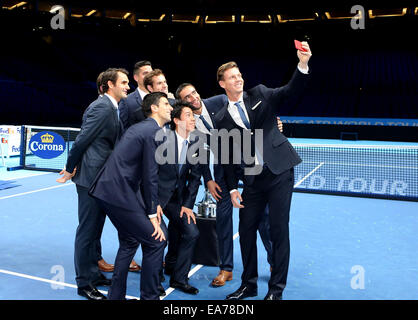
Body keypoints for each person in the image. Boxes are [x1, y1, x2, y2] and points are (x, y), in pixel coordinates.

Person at [214, 41, 312, 300]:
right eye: (232, 77)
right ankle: (249, 285)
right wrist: (233, 188)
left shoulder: (260, 93)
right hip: (252, 180)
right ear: (222, 84)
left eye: (239, 75)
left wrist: (302, 64)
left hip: (280, 171)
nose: (238, 79)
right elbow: (226, 158)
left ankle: (275, 290)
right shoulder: (221, 119)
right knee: (246, 231)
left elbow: (291, 90)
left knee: (279, 229)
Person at [176, 83, 278, 287]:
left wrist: (272, 126)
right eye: (188, 97)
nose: (194, 98)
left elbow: (250, 115)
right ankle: (226, 269)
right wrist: (209, 179)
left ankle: (274, 261)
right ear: (182, 102)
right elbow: (200, 153)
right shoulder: (188, 122)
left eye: (194, 92)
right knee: (223, 218)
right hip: (222, 170)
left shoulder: (220, 101)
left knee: (263, 216)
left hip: (248, 160)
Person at [89, 92, 171, 300]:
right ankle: (149, 297)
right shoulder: (153, 131)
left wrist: (152, 206)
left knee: (129, 240)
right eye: (165, 104)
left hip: (108, 190)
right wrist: (151, 214)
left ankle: (115, 297)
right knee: (156, 241)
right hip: (118, 192)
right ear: (154, 108)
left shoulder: (143, 128)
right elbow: (150, 175)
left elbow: (139, 173)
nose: (170, 107)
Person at [56, 68, 129, 300]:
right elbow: (82, 140)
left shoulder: (112, 108)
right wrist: (69, 168)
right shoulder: (102, 107)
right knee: (87, 232)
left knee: (95, 230)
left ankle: (94, 274)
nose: (128, 86)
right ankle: (84, 283)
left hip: (101, 179)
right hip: (90, 179)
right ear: (110, 85)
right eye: (124, 82)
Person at [158, 101, 204, 295]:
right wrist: (153, 204)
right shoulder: (161, 140)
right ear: (176, 120)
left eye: (193, 116)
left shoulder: (197, 142)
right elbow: (149, 175)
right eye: (188, 115)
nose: (192, 119)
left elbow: (195, 178)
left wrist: (187, 205)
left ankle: (179, 278)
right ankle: (155, 279)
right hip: (157, 198)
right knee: (160, 237)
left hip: (178, 200)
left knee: (191, 232)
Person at [119, 60, 153, 129]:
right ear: (136, 78)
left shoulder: (161, 98)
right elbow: (122, 129)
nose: (149, 76)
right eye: (145, 73)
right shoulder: (126, 101)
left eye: (151, 73)